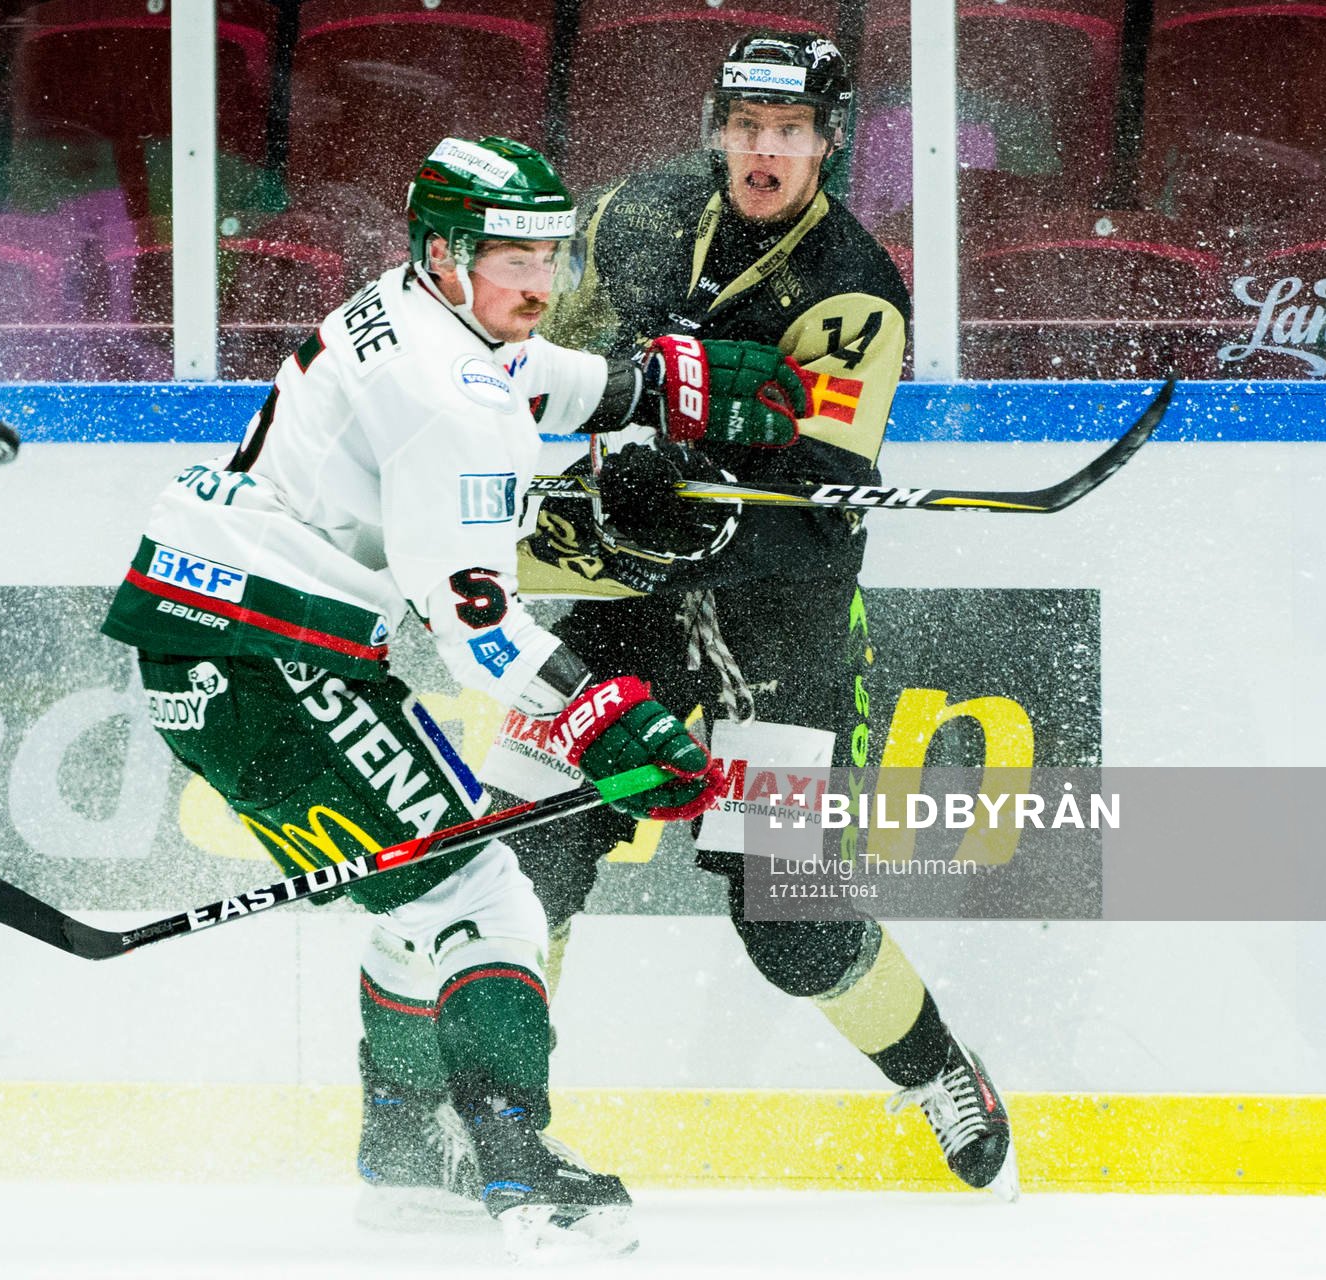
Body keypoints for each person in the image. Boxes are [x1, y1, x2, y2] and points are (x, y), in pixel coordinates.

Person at [99, 135, 806, 1259]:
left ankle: (404, 1159)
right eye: (512, 257)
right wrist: (608, 714)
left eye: (551, 254)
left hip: (206, 645)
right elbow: (475, 623)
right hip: (269, 658)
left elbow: (522, 372)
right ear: (443, 252)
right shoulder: (454, 400)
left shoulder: (414, 310)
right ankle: (516, 1167)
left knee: (414, 901)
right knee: (492, 895)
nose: (541, 283)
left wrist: (646, 387)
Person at [482, 33, 1020, 1199]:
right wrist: (571, 454)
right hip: (617, 609)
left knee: (789, 920)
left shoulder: (856, 290)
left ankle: (942, 1069)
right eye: (745, 124)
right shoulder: (639, 210)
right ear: (719, 126)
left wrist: (675, 508)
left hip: (778, 623)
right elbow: (539, 349)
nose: (762, 149)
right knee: (526, 864)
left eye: (788, 130)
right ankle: (501, 1121)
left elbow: (817, 491)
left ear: (829, 141)